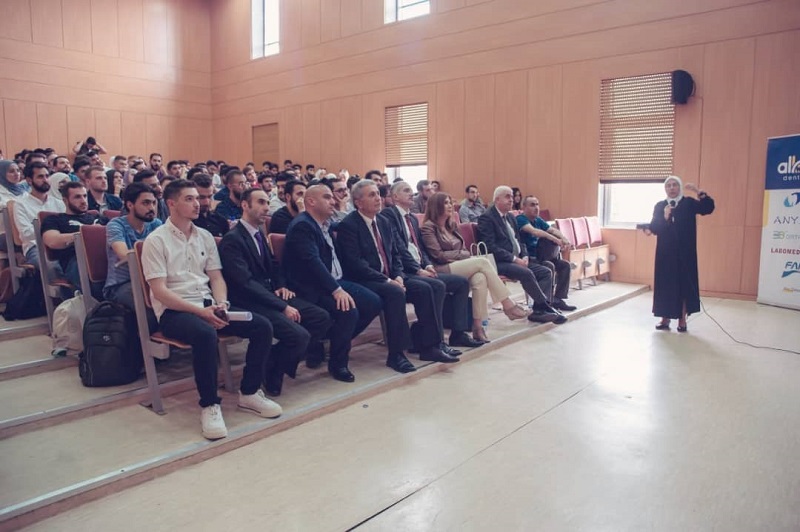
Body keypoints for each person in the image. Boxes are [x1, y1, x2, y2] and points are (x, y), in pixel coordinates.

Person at [141, 180, 281, 440]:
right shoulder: (156, 240)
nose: (198, 203)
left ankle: (249, 393)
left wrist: (222, 304)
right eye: (189, 199)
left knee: (261, 325)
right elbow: (160, 291)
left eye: (198, 198)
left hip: (208, 304)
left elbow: (216, 278)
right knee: (205, 334)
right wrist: (200, 313)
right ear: (171, 203)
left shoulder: (205, 236)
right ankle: (209, 405)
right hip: (175, 311)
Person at [337, 180, 458, 371]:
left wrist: (399, 276)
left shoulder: (383, 222)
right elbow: (356, 264)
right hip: (366, 279)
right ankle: (396, 354)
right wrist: (388, 280)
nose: (378, 198)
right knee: (395, 293)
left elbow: (395, 255)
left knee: (431, 286)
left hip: (391, 276)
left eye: (378, 194)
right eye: (371, 195)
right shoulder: (349, 225)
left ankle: (430, 346)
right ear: (358, 202)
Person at [219, 189, 332, 394]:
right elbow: (245, 283)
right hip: (249, 301)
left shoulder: (258, 234)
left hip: (270, 294)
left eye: (267, 203)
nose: (266, 207)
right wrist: (282, 306)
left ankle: (271, 361)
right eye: (260, 202)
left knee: (321, 318)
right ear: (245, 205)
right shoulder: (232, 240)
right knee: (299, 336)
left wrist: (281, 286)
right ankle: (274, 370)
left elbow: (274, 265)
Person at [284, 185, 382, 381]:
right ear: (311, 201)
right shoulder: (303, 226)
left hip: (335, 280)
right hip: (312, 287)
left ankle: (331, 340)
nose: (333, 201)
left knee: (373, 302)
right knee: (348, 310)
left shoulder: (325, 224)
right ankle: (338, 363)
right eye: (327, 197)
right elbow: (313, 263)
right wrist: (336, 290)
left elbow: (345, 226)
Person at [380, 182, 481, 351]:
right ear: (395, 197)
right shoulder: (389, 215)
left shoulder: (412, 218)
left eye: (411, 190)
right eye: (406, 190)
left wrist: (427, 265)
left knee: (461, 283)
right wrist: (417, 269)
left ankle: (458, 333)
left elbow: (420, 248)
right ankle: (436, 340)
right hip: (405, 271)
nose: (411, 193)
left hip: (420, 267)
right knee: (437, 286)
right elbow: (399, 248)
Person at [422, 193, 531, 342]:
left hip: (457, 264)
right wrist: (462, 255)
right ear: (436, 206)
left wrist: (461, 254)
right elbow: (438, 255)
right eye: (446, 203)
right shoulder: (428, 227)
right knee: (482, 262)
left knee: (480, 278)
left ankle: (478, 327)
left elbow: (464, 250)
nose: (450, 206)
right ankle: (508, 305)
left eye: (450, 202)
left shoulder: (452, 225)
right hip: (440, 268)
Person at [477, 186, 565, 324]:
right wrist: (514, 259)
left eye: (512, 197)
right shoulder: (487, 218)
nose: (511, 200)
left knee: (545, 272)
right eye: (507, 197)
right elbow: (490, 247)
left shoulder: (511, 217)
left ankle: (538, 310)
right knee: (526, 272)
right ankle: (545, 307)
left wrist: (524, 256)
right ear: (497, 199)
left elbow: (520, 241)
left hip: (517, 260)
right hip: (499, 262)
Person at [646, 175, 714, 332]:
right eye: (668, 185)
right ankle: (665, 318)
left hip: (685, 253)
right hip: (665, 254)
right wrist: (665, 216)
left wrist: (698, 192)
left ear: (680, 187)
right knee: (665, 285)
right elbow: (654, 227)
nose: (671, 188)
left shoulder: (688, 203)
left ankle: (682, 319)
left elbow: (708, 208)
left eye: (674, 185)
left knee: (683, 286)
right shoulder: (660, 206)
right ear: (665, 188)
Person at [103, 183, 162, 333]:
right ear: (130, 205)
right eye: (145, 203)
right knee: (151, 309)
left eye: (153, 203)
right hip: (122, 284)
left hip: (152, 278)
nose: (151, 208)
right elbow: (125, 255)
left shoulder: (155, 224)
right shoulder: (116, 225)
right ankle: (148, 346)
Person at [516, 196, 576, 312]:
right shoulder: (521, 219)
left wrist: (563, 238)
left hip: (543, 256)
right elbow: (535, 232)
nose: (536, 208)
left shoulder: (538, 220)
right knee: (549, 266)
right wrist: (555, 239)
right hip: (529, 258)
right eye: (532, 205)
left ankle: (557, 299)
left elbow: (553, 230)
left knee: (565, 266)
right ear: (524, 207)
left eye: (537, 204)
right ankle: (547, 303)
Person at [41, 182, 105, 288]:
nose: (83, 200)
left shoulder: (97, 217)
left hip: (104, 255)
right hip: (76, 260)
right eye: (77, 197)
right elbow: (52, 241)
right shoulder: (54, 220)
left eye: (85, 196)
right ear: (65, 200)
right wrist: (87, 234)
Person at [13, 162, 65, 271]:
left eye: (47, 176)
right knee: (53, 266)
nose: (45, 180)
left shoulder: (59, 203)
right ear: (29, 180)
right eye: (40, 177)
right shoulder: (20, 204)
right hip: (36, 247)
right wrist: (50, 231)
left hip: (59, 244)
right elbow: (26, 234)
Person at [0, 160, 29, 251]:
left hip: (24, 228)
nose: (16, 174)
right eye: (11, 171)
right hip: (4, 232)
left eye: (18, 170)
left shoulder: (23, 191)